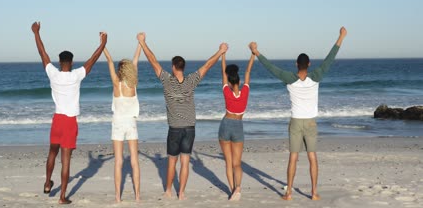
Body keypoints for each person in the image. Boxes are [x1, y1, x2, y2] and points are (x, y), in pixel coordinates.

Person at [249, 27, 347, 201]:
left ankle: (288, 193)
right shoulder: (316, 76)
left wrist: (256, 52)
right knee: (312, 157)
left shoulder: (289, 78)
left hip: (295, 123)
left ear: (296, 64)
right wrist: (341, 37)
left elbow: (271, 68)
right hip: (310, 123)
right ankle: (314, 192)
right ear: (308, 64)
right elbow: (329, 59)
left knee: (293, 157)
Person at [137, 32, 228, 200]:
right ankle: (182, 193)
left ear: (173, 67)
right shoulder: (191, 80)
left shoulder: (166, 80)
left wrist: (142, 43)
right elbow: (207, 65)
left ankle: (169, 191)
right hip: (189, 128)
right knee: (185, 161)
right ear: (183, 67)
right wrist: (220, 51)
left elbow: (153, 61)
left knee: (172, 161)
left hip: (174, 129)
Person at [31, 21, 107, 204]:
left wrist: (36, 33)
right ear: (71, 62)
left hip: (57, 120)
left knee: (51, 153)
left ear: (59, 62)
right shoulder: (76, 75)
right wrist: (103, 44)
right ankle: (62, 197)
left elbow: (42, 52)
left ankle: (48, 183)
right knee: (66, 161)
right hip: (70, 122)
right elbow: (93, 59)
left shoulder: (53, 74)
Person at [103, 42, 142, 203]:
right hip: (131, 123)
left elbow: (109, 61)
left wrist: (103, 45)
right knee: (134, 160)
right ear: (130, 70)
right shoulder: (133, 85)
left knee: (118, 161)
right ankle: (137, 196)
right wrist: (140, 43)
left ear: (120, 71)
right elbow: (136, 59)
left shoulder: (115, 83)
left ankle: (118, 197)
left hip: (117, 123)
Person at [219, 49, 255, 201]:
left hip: (226, 124)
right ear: (239, 82)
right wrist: (253, 54)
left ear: (229, 81)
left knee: (228, 162)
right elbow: (248, 70)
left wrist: (223, 54)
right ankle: (238, 189)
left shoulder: (226, 91)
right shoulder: (245, 92)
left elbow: (223, 72)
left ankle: (233, 190)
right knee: (237, 163)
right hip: (238, 126)